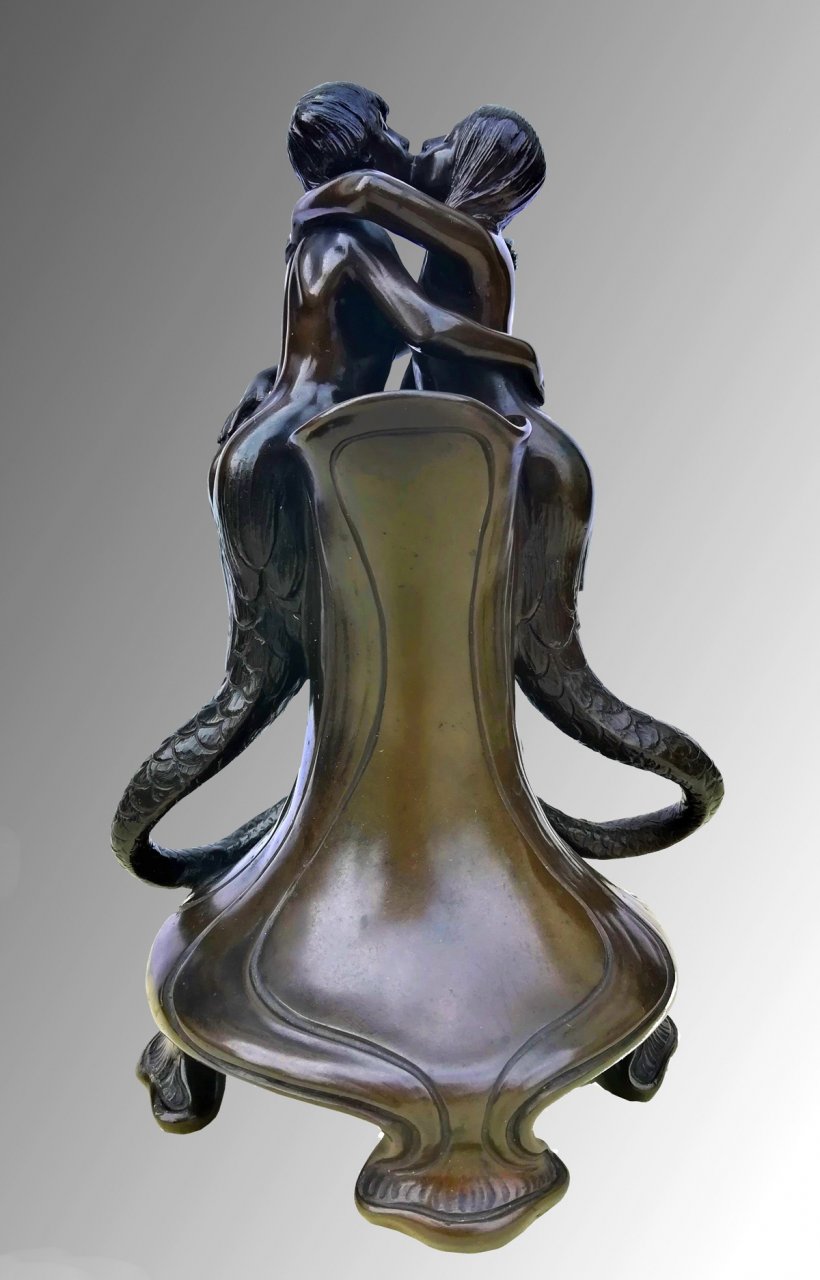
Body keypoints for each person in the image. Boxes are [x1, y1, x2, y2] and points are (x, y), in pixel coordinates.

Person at [113, 84, 542, 1131]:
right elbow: (425, 329)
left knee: (336, 667)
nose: (406, 146)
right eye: (383, 137)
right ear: (356, 146)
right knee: (265, 678)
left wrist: (370, 195)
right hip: (290, 462)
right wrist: (511, 353)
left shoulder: (358, 226)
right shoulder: (343, 240)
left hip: (312, 446)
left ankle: (315, 846)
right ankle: (278, 860)